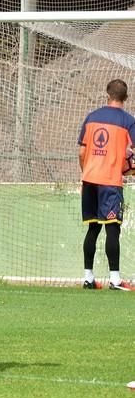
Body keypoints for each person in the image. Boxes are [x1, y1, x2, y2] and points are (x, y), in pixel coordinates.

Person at [78, 79, 135, 291]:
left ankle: (88, 278)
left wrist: (85, 175)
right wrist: (129, 166)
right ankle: (115, 280)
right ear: (126, 98)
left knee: (93, 228)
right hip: (110, 182)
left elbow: (82, 152)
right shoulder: (128, 121)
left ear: (107, 95)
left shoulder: (91, 118)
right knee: (112, 230)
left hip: (90, 180)